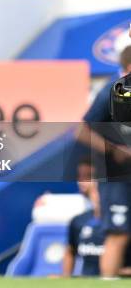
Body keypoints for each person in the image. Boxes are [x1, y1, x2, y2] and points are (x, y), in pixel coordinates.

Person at [76, 45, 131, 278]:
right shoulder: (112, 91)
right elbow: (81, 130)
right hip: (118, 176)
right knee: (118, 233)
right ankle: (107, 282)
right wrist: (114, 150)